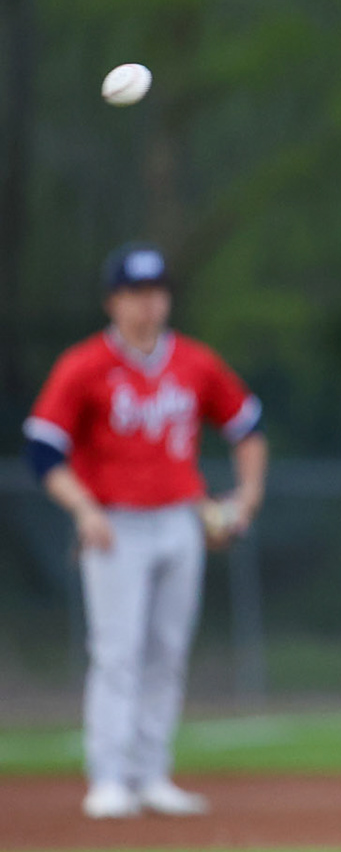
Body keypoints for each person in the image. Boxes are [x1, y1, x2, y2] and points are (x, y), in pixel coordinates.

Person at [21, 243, 268, 819]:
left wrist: (247, 496)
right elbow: (42, 449)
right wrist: (83, 509)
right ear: (112, 301)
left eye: (155, 292)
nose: (147, 304)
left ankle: (151, 773)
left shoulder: (195, 363)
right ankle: (107, 778)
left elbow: (248, 427)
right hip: (115, 525)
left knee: (167, 651)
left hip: (180, 519)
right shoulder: (84, 366)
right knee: (118, 652)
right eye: (134, 293)